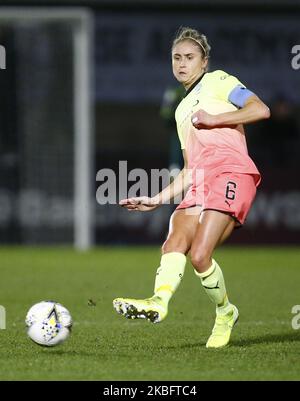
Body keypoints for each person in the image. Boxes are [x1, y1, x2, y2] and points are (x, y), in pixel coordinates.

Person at [113, 27, 270, 348]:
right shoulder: (181, 110)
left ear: (204, 62)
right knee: (175, 241)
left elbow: (260, 109)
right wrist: (156, 199)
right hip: (200, 181)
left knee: (200, 255)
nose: (182, 63)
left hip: (231, 173)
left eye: (189, 57)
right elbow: (189, 168)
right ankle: (159, 301)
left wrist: (215, 119)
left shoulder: (219, 81)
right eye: (176, 58)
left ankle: (226, 313)